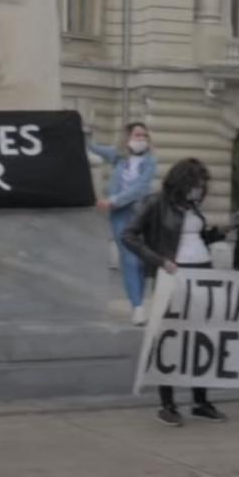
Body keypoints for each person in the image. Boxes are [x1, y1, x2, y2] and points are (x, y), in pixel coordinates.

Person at [122, 158, 227, 426]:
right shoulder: (155, 203)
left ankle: (200, 401)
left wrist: (217, 234)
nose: (200, 189)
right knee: (170, 339)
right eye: (196, 184)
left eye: (203, 185)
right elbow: (129, 236)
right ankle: (167, 404)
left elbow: (194, 237)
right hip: (173, 275)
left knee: (201, 337)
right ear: (182, 182)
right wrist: (159, 261)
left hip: (202, 272)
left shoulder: (193, 207)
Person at [89, 123, 158, 325]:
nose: (141, 139)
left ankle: (139, 301)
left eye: (144, 135)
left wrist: (112, 200)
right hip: (121, 215)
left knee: (142, 260)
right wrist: (84, 132)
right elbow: (92, 148)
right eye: (137, 135)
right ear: (127, 137)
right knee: (130, 260)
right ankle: (137, 306)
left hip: (142, 214)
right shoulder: (118, 155)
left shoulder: (150, 161)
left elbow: (140, 187)